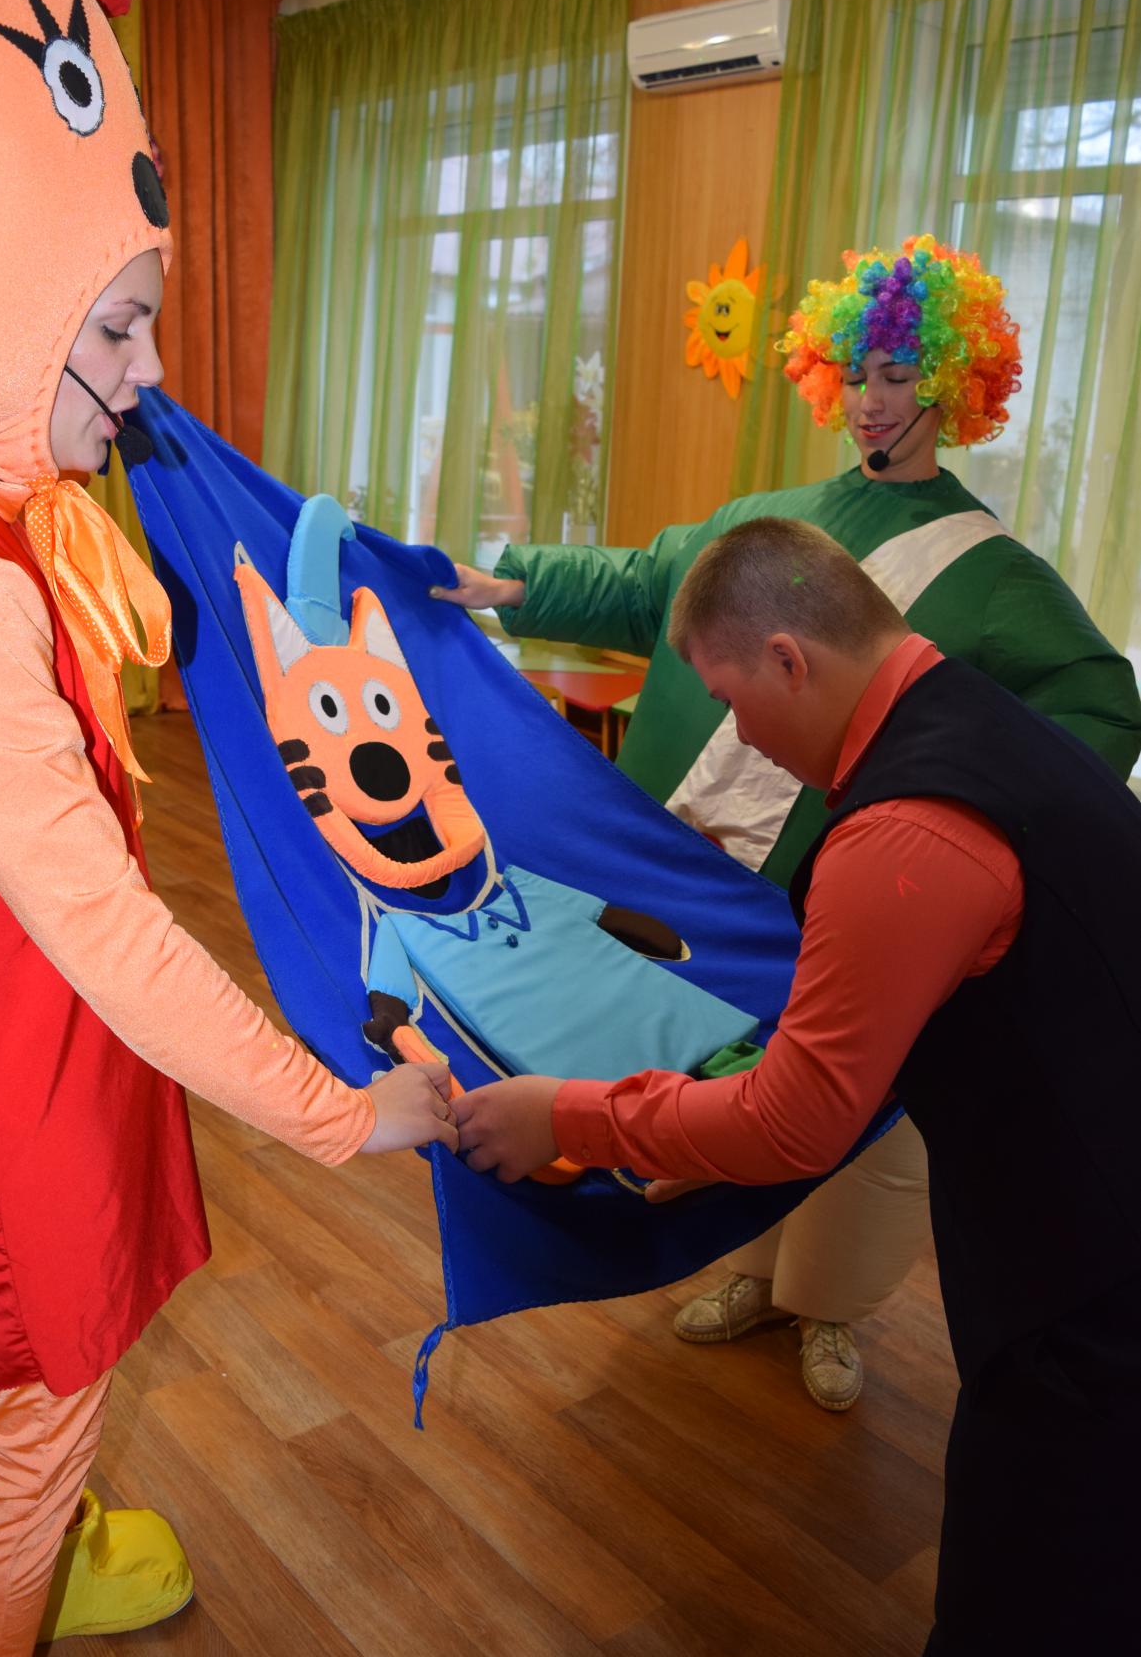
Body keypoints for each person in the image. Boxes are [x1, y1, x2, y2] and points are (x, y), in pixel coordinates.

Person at [0, 0, 454, 1657]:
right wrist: (344, 1114)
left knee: (66, 1369)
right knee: (32, 1407)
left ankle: (72, 1538)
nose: (146, 369)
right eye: (113, 327)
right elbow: (106, 932)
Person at [453, 516, 1141, 1657]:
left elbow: (796, 1122)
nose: (739, 739)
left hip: (1095, 1278)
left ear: (789, 660)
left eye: (731, 703)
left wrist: (565, 1114)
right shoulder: (974, 718)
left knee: (1016, 1644)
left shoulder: (901, 835)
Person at [433, 234, 1141, 1409]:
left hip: (869, 900)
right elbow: (644, 583)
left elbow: (1099, 702)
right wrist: (501, 588)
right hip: (709, 887)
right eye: (855, 373)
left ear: (956, 385)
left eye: (901, 375)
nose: (873, 401)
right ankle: (755, 1274)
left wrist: (989, 839)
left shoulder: (994, 574)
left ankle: (831, 1308)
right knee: (732, 1077)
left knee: (855, 1129)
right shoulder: (770, 518)